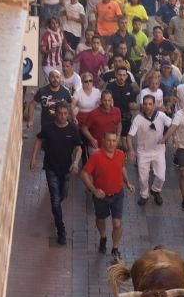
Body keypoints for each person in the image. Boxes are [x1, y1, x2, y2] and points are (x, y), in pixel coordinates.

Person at [30, 102, 82, 245]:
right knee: (54, 201)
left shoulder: (72, 129)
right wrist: (34, 157)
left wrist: (76, 162)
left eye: (65, 114)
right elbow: (39, 139)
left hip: (66, 170)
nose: (63, 116)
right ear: (55, 113)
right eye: (60, 113)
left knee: (62, 196)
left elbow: (78, 148)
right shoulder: (48, 127)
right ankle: (61, 230)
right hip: (51, 168)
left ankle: (56, 209)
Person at [81, 130, 135, 261]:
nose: (111, 143)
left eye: (114, 140)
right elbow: (84, 174)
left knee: (117, 224)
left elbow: (122, 168)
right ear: (103, 141)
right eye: (109, 140)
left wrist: (127, 182)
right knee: (101, 219)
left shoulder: (121, 154)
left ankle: (115, 248)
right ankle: (103, 237)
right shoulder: (96, 156)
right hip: (101, 197)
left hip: (117, 195)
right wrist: (94, 190)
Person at [127, 95, 171, 206]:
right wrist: (131, 150)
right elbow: (129, 135)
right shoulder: (138, 118)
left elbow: (173, 125)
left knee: (161, 176)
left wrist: (172, 137)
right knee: (143, 178)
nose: (147, 106)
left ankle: (155, 189)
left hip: (159, 150)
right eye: (145, 104)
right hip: (143, 152)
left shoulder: (161, 115)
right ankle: (144, 195)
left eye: (150, 104)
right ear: (142, 105)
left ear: (154, 105)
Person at [106, 66, 138, 152]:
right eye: (120, 75)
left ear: (126, 76)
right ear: (116, 75)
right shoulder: (110, 87)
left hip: (126, 118)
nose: (122, 77)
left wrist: (138, 106)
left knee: (125, 146)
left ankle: (123, 162)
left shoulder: (129, 88)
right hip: (113, 119)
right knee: (116, 144)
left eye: (124, 75)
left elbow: (132, 103)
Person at [81, 89, 121, 156]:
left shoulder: (117, 111)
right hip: (96, 148)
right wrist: (92, 139)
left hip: (111, 146)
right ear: (101, 100)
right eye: (105, 100)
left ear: (112, 100)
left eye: (109, 100)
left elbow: (119, 124)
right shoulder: (93, 113)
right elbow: (84, 128)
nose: (107, 103)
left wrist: (118, 136)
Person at [40, 16, 71, 83]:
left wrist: (70, 49)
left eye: (56, 23)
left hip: (59, 63)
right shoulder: (46, 35)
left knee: (58, 82)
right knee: (50, 82)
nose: (55, 25)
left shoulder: (61, 33)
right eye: (53, 23)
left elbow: (65, 44)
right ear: (49, 24)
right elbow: (42, 51)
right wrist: (49, 51)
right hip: (48, 64)